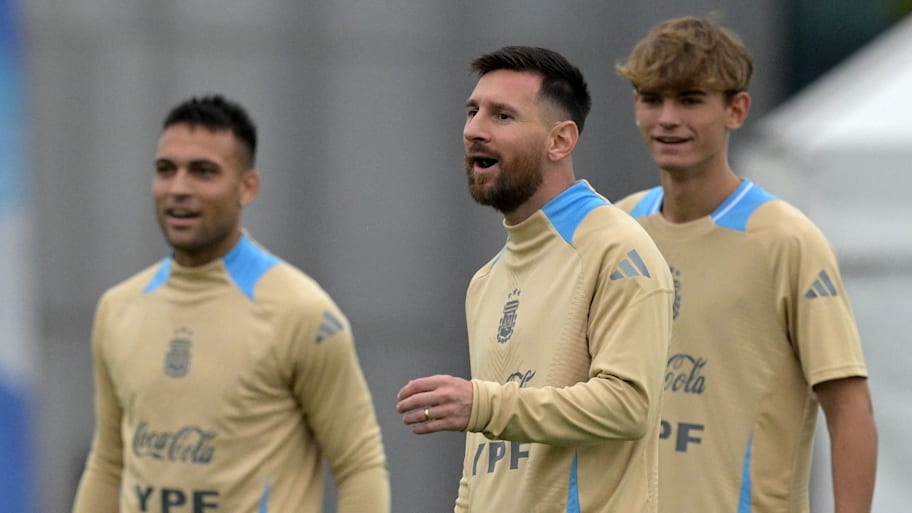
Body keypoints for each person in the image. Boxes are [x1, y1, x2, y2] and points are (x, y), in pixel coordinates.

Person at [71, 95, 390, 513]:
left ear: (247, 187)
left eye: (203, 171)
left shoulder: (303, 312)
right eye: (166, 170)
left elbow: (359, 464)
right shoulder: (117, 309)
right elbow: (108, 463)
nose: (178, 188)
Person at [614, 16, 878, 513]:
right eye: (652, 99)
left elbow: (849, 407)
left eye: (690, 100)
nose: (667, 118)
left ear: (736, 110)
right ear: (635, 106)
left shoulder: (787, 240)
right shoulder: (617, 231)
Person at [396, 46, 674, 513]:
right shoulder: (486, 281)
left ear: (560, 140)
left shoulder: (617, 248)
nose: (474, 130)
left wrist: (483, 406)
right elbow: (480, 469)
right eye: (472, 111)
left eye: (502, 115)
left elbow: (629, 405)